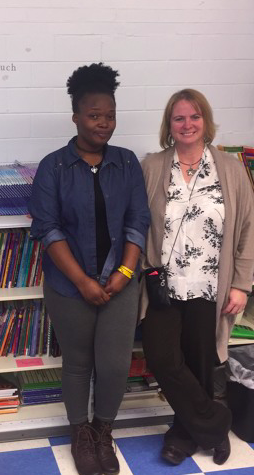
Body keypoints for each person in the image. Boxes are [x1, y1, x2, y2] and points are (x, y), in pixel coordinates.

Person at [28, 63, 150, 475]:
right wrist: (81, 281)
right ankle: (80, 433)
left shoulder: (127, 162)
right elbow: (47, 228)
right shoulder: (53, 167)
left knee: (115, 364)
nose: (104, 124)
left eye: (110, 115)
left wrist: (125, 274)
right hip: (68, 286)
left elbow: (138, 221)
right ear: (76, 116)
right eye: (95, 115)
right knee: (78, 362)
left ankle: (103, 430)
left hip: (121, 283)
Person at [140, 89, 254, 467]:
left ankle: (183, 435)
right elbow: (138, 224)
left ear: (205, 121)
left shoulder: (232, 169)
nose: (187, 124)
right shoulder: (153, 166)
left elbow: (248, 230)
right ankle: (216, 425)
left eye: (194, 117)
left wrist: (241, 283)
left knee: (200, 363)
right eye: (178, 118)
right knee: (162, 357)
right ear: (168, 126)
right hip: (163, 287)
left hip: (210, 285)